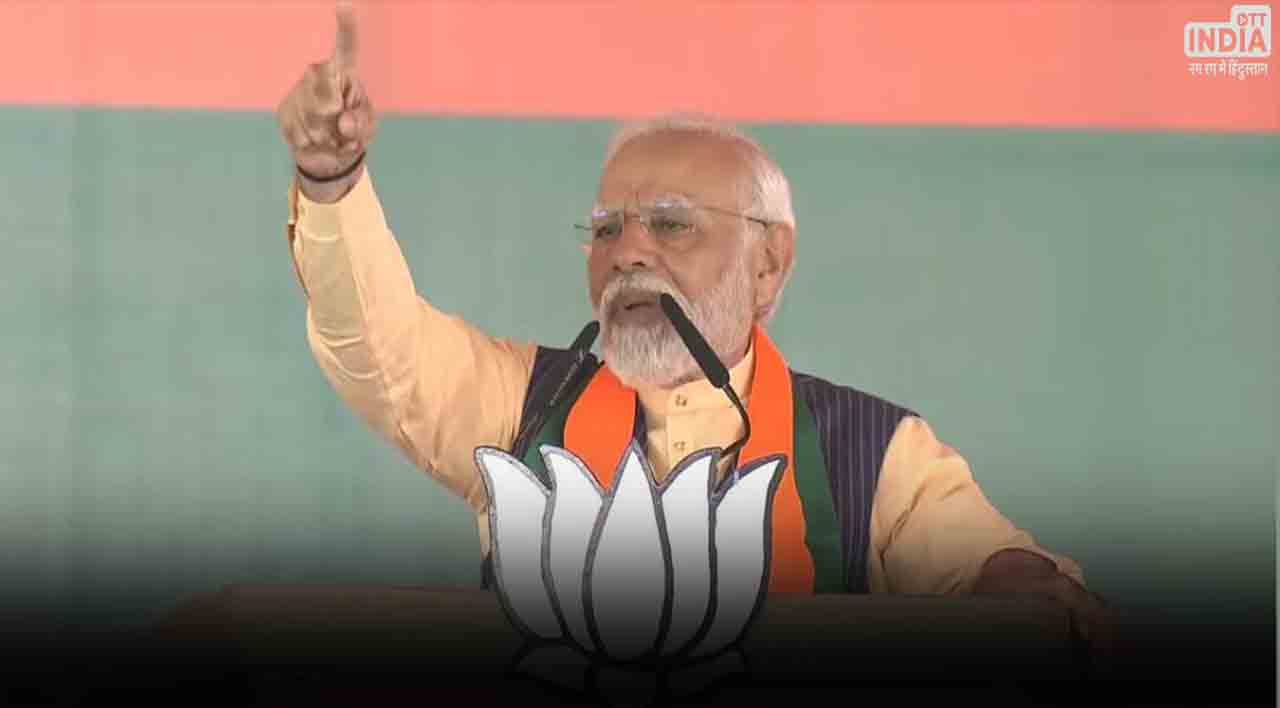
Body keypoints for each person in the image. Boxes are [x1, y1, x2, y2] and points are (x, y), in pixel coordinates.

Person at [276, 7, 1114, 660]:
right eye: (607, 229)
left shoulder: (874, 452)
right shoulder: (522, 405)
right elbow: (377, 348)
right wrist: (331, 178)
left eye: (672, 225)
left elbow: (994, 571)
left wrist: (1020, 588)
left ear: (768, 264)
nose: (629, 252)